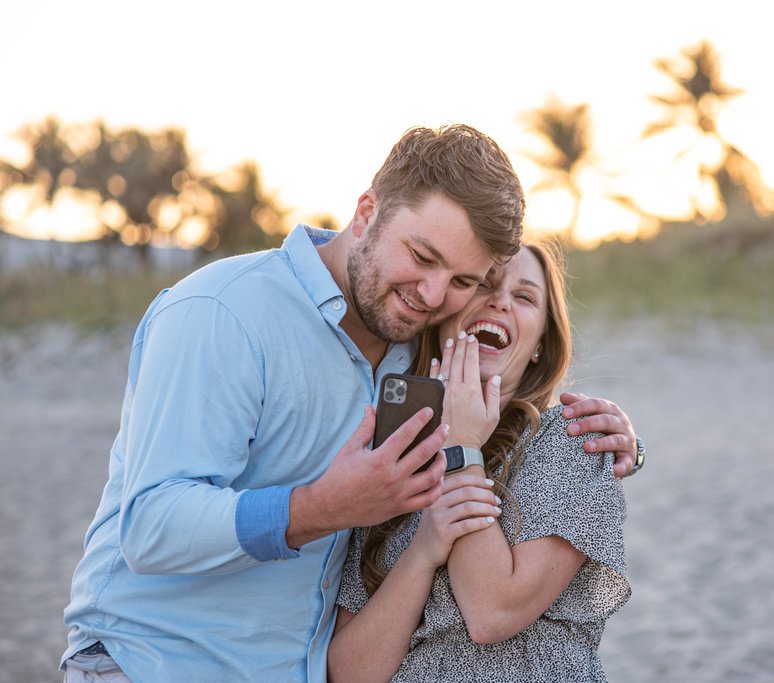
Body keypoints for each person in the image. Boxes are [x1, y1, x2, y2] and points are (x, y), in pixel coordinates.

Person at [61, 124, 640, 682]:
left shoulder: (417, 353)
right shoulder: (223, 312)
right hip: (155, 664)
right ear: (366, 213)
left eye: (464, 280)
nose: (434, 294)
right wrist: (320, 507)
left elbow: (512, 400)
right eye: (422, 255)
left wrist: (623, 444)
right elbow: (151, 526)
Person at [329, 241, 631, 682]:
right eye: (483, 285)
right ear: (443, 316)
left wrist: (463, 447)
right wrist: (422, 554)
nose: (501, 300)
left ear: (538, 347)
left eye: (525, 297)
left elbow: (492, 611)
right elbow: (350, 674)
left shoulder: (569, 443)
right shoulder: (394, 458)